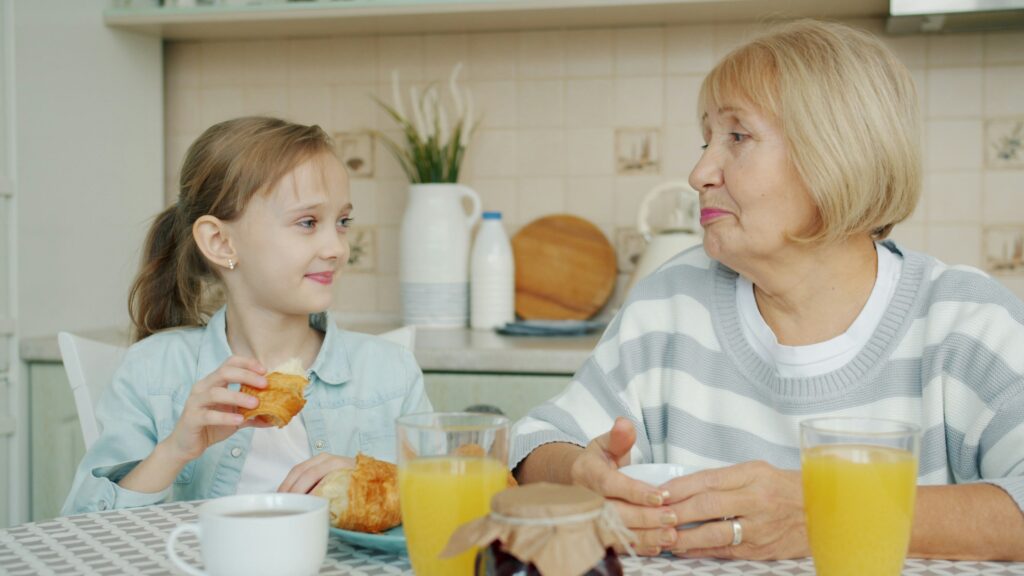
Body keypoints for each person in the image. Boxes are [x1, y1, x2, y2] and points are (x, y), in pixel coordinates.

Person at [511, 20, 1024, 561]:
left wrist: (829, 512)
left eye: (737, 137)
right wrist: (579, 476)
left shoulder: (966, 323)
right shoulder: (669, 305)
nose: (699, 171)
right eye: (706, 140)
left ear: (836, 154)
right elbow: (533, 443)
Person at [63, 116, 431, 515]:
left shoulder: (390, 372)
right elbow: (82, 527)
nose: (336, 248)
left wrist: (379, 479)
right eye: (307, 222)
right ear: (220, 242)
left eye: (342, 222)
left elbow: (447, 508)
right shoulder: (153, 371)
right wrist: (175, 451)